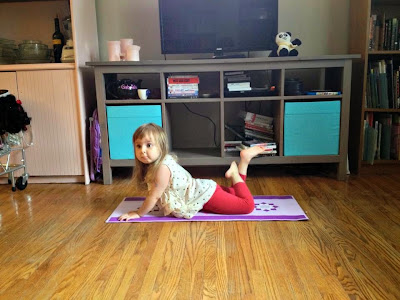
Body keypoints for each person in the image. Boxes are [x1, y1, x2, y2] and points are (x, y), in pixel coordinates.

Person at [118, 123, 267, 221]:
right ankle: (244, 160)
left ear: (161, 147)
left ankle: (236, 173)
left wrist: (138, 213)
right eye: (138, 146)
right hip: (203, 190)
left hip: (206, 196)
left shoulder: (162, 168)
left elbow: (154, 195)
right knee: (237, 193)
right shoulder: (158, 163)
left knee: (247, 206)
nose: (142, 151)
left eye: (149, 145)